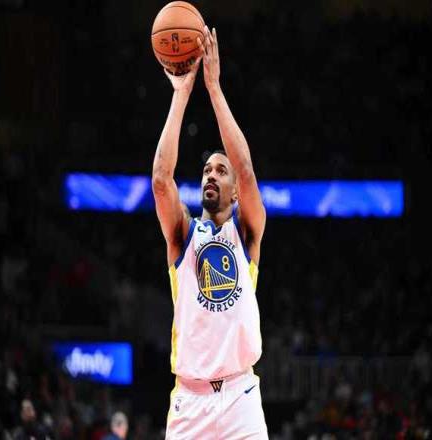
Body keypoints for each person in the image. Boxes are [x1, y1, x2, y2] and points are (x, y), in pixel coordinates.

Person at [152, 25, 268, 439]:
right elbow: (161, 180)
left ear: (235, 192)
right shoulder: (183, 234)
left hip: (241, 397)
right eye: (206, 170)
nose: (211, 175)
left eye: (221, 170)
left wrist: (214, 90)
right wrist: (181, 92)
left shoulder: (246, 232)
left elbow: (247, 170)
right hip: (190, 400)